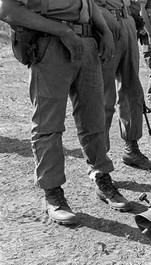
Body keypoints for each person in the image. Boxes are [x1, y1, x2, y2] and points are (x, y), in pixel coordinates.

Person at [0, 0, 132, 224]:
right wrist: (62, 31)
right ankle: (53, 193)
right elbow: (7, 10)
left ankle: (101, 176)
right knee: (48, 124)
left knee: (94, 118)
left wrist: (105, 30)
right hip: (49, 44)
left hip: (87, 42)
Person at [95, 0, 151, 173]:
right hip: (104, 25)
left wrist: (134, 19)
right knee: (103, 98)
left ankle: (131, 149)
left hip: (127, 23)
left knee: (132, 92)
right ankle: (99, 162)